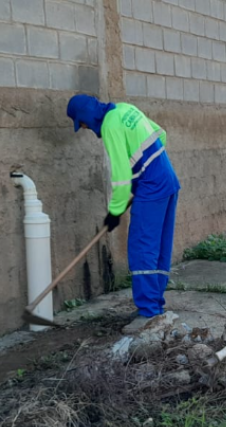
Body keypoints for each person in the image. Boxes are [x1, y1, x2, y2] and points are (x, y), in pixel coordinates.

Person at [66, 95, 181, 335]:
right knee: (158, 248)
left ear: (86, 117)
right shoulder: (126, 109)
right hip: (167, 180)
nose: (85, 128)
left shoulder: (110, 125)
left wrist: (115, 211)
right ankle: (154, 305)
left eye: (82, 124)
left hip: (152, 188)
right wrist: (147, 168)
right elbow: (161, 134)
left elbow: (120, 175)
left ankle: (148, 312)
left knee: (142, 248)